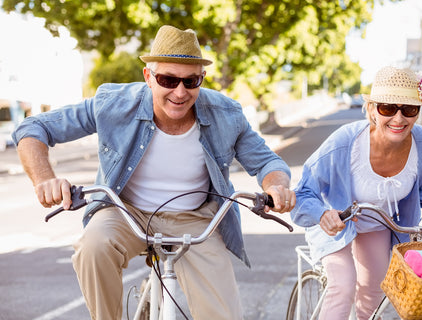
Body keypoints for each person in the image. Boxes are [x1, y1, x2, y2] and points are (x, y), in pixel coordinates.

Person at [12, 25, 296, 320]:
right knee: (92, 247)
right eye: (168, 79)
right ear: (149, 77)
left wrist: (277, 187)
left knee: (223, 314)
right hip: (126, 212)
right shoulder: (114, 104)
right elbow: (34, 128)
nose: (180, 91)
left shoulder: (227, 114)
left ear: (202, 79)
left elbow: (268, 164)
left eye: (191, 81)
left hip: (196, 219)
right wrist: (44, 179)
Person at [290, 66, 422, 320]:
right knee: (343, 285)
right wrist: (322, 213)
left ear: (418, 112)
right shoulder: (344, 143)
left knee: (374, 296)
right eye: (388, 108)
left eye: (409, 109)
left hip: (380, 225)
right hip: (333, 223)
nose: (399, 119)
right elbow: (303, 193)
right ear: (371, 109)